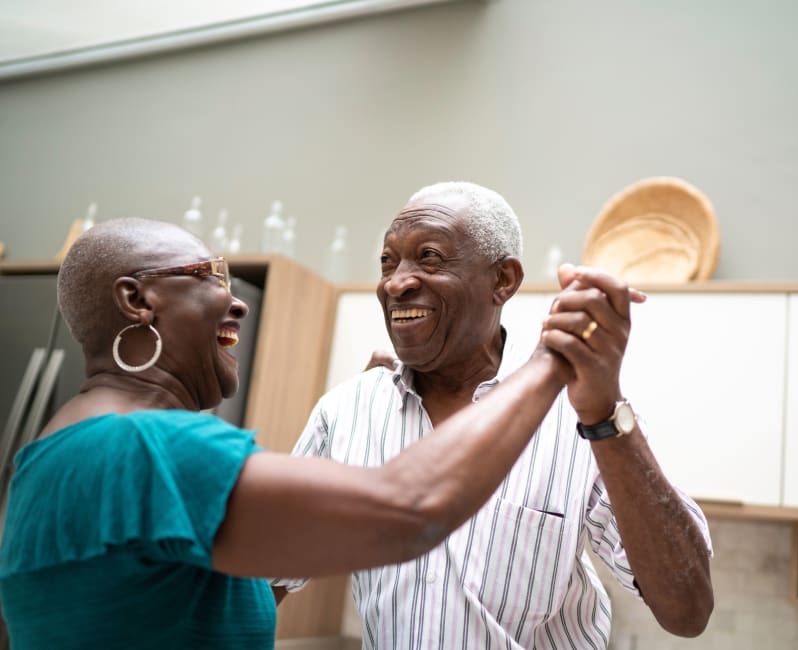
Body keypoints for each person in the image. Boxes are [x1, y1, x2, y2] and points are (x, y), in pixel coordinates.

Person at [0, 216, 597, 650]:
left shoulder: (50, 455)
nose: (236, 304)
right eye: (209, 277)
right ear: (136, 301)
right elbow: (414, 511)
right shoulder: (151, 451)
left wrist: (372, 419)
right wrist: (551, 360)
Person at [273, 181, 714, 649]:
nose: (396, 282)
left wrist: (605, 414)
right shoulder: (346, 413)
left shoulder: (579, 414)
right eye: (388, 261)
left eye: (429, 258)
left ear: (502, 280)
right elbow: (267, 576)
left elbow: (687, 610)